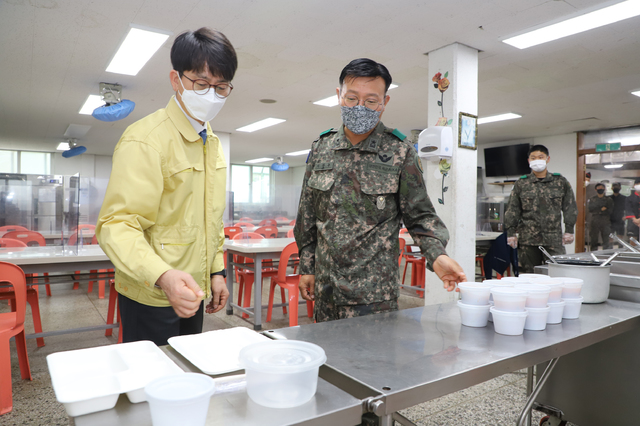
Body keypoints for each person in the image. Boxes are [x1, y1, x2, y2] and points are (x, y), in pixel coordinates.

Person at [294, 58, 466, 322]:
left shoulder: (400, 150)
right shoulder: (321, 147)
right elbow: (307, 215)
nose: (360, 107)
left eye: (371, 101)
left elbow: (420, 217)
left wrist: (437, 256)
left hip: (374, 296)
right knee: (327, 360)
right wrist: (308, 267)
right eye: (352, 98)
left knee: (374, 362)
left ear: (384, 103)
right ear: (339, 96)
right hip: (326, 289)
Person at [96, 28, 236, 346]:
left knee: (186, 375)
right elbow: (116, 226)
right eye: (202, 84)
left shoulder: (211, 142)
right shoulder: (146, 139)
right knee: (150, 384)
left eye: (222, 87)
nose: (212, 95)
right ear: (176, 80)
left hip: (193, 290)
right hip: (151, 291)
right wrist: (164, 276)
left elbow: (210, 220)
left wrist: (217, 272)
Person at [504, 144, 578, 273]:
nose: (537, 160)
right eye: (533, 158)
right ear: (529, 161)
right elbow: (513, 209)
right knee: (530, 275)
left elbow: (569, 206)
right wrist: (511, 233)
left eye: (540, 157)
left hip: (553, 239)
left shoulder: (560, 181)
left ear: (548, 159)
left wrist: (569, 230)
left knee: (558, 273)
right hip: (528, 240)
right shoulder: (521, 183)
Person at [587, 183, 613, 250]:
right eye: (599, 188)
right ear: (596, 189)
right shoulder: (592, 199)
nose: (600, 189)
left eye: (602, 188)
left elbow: (610, 210)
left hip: (605, 220)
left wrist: (598, 210)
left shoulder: (608, 199)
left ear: (604, 189)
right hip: (595, 220)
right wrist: (601, 209)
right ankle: (593, 253)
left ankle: (606, 254)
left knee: (606, 238)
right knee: (593, 238)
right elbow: (590, 209)